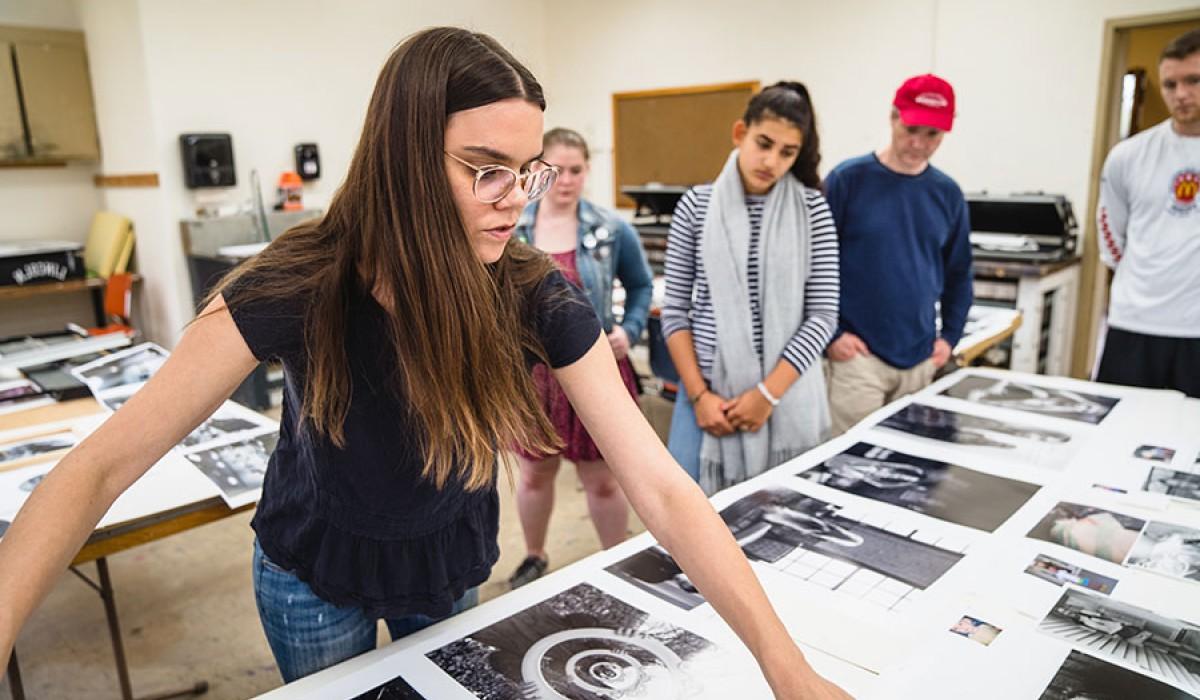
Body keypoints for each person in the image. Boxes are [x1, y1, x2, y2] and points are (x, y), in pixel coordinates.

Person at [0, 28, 848, 698]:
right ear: (405, 155)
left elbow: (659, 484)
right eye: (485, 171)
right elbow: (98, 469)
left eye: (526, 173)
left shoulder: (528, 291)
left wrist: (783, 665)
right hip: (313, 567)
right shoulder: (299, 283)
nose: (513, 202)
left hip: (444, 558)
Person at [662, 81, 839, 495]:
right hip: (706, 399)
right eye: (764, 143)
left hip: (786, 397)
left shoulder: (813, 210)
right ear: (740, 133)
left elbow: (823, 315)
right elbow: (675, 313)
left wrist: (766, 395)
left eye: (787, 152)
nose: (771, 160)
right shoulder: (696, 206)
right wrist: (700, 396)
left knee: (784, 521)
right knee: (687, 515)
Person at [508, 127, 653, 589]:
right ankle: (533, 554)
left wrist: (628, 332)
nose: (566, 180)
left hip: (595, 371)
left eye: (575, 170)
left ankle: (618, 562)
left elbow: (641, 287)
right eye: (555, 170)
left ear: (588, 171)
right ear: (536, 171)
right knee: (533, 475)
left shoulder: (610, 229)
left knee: (604, 480)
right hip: (533, 379)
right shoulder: (513, 225)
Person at [824, 74, 974, 435]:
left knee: (908, 472)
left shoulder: (948, 194)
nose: (919, 143)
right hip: (856, 360)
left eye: (932, 135)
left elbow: (959, 273)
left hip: (919, 359)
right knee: (847, 466)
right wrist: (832, 334)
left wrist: (949, 337)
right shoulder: (847, 181)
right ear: (893, 117)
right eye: (912, 129)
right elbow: (814, 266)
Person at [1095, 28, 1200, 397]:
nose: (1181, 94)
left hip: (1196, 330)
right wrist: (1146, 276)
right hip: (1135, 322)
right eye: (1170, 84)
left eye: (1193, 80)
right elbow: (1111, 236)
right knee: (1115, 434)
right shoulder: (1129, 155)